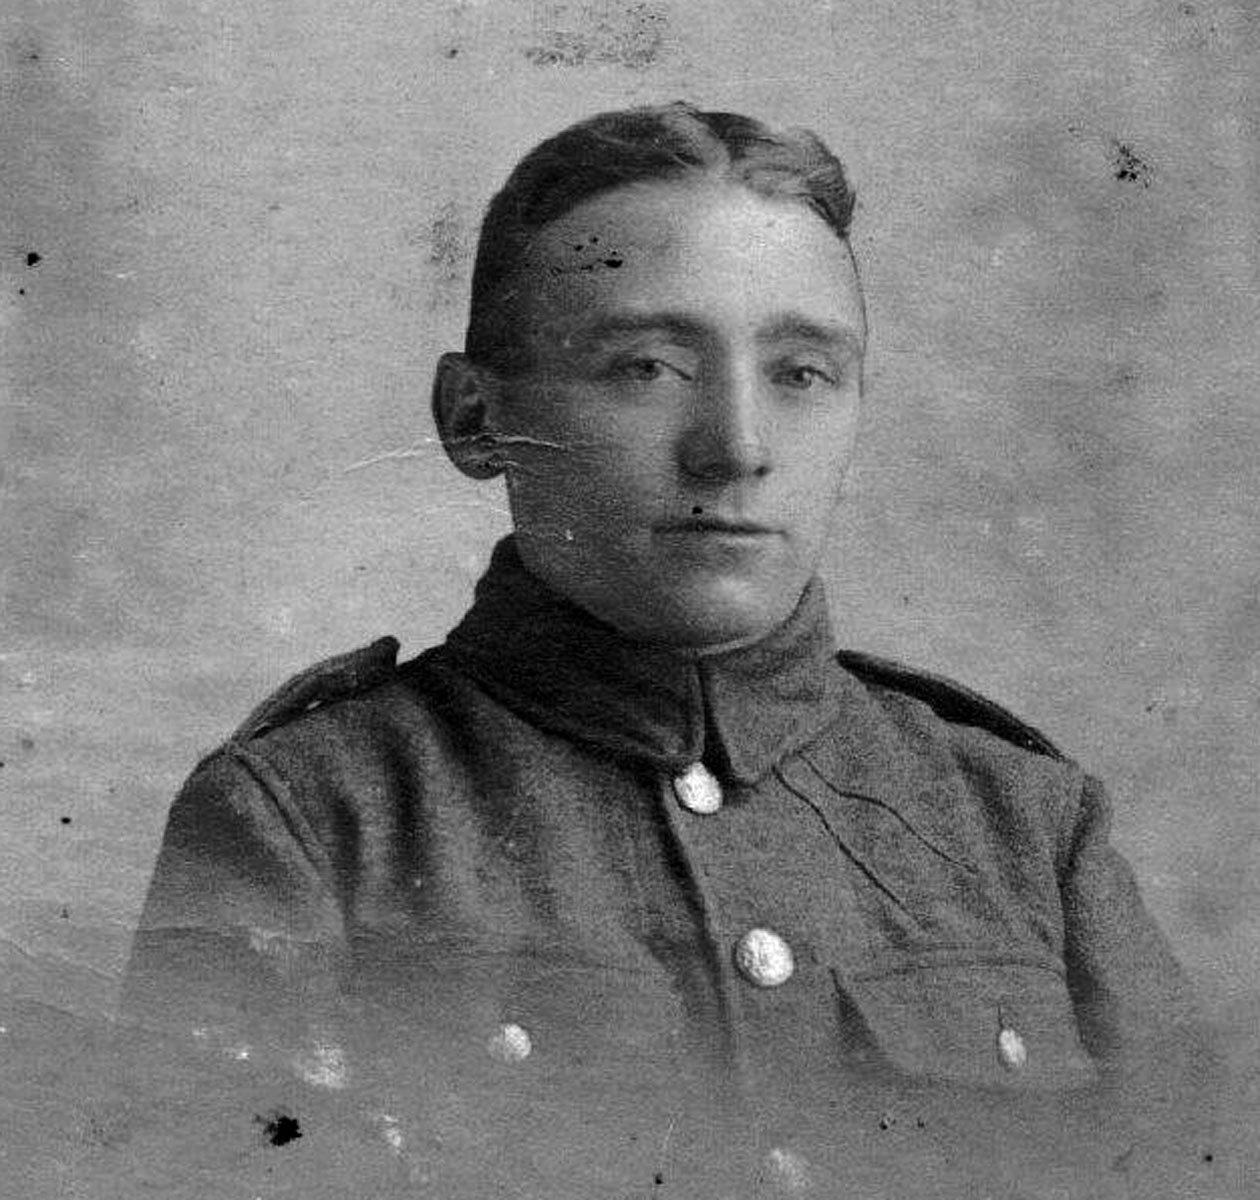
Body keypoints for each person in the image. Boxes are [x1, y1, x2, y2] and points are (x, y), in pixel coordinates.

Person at [121, 103, 1223, 1198]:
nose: (736, 448)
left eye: (801, 373)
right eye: (647, 367)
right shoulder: (314, 820)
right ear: (474, 418)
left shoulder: (1024, 827)